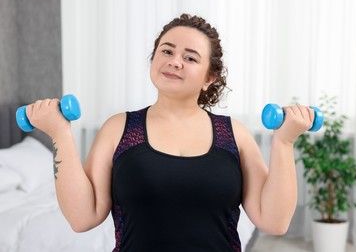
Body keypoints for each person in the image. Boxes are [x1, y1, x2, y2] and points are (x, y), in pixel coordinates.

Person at [26, 13, 315, 252]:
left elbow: (274, 221)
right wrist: (60, 135)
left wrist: (285, 140)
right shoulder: (118, 129)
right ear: (154, 59)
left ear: (209, 78)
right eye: (166, 51)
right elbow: (81, 218)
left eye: (190, 58)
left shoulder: (234, 135)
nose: (175, 61)